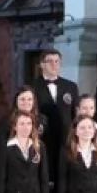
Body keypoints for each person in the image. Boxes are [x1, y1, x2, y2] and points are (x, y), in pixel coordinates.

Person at [33, 49, 79, 180]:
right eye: (50, 61)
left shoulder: (71, 87)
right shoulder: (32, 86)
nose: (54, 65)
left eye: (57, 61)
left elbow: (75, 114)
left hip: (65, 140)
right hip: (43, 139)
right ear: (42, 64)